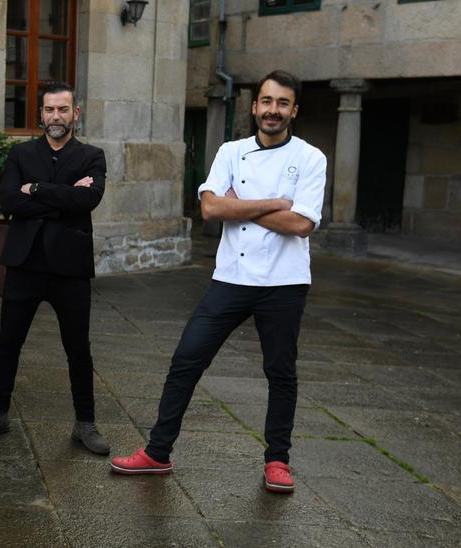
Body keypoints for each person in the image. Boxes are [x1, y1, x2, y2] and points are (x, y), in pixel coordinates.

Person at [110, 70, 326, 494]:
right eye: (266, 101)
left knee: (280, 371)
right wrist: (272, 204)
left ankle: (277, 460)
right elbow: (209, 210)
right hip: (231, 277)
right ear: (254, 106)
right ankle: (158, 452)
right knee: (187, 358)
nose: (273, 110)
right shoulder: (231, 151)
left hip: (284, 282)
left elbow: (300, 224)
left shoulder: (311, 158)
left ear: (294, 110)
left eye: (282, 103)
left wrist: (238, 206)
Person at [0, 81, 111, 455]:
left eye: (63, 109)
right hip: (25, 263)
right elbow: (10, 200)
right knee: (9, 343)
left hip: (70, 268)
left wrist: (37, 190)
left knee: (78, 348)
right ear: (40, 114)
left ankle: (85, 423)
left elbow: (88, 199)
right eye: (49, 110)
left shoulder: (93, 155)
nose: (55, 117)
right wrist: (62, 197)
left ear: (75, 113)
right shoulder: (20, 154)